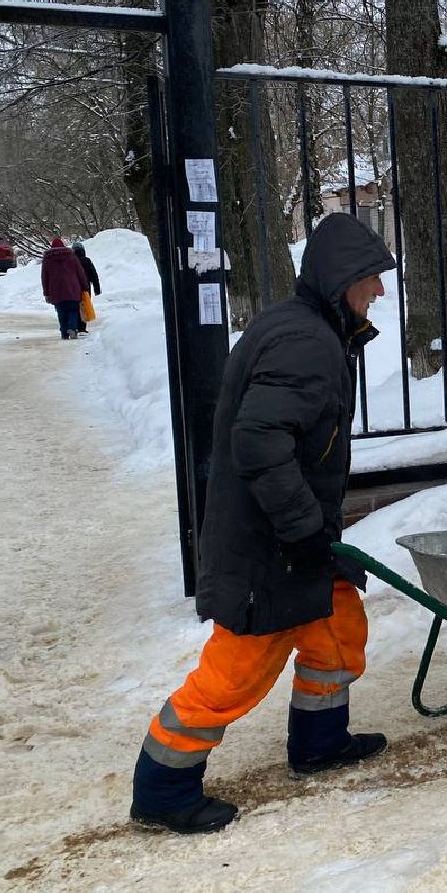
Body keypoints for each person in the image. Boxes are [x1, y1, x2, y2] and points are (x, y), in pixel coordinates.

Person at [130, 212, 396, 835]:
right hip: (268, 545)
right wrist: (305, 531)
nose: (379, 291)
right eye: (371, 279)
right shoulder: (307, 343)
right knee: (237, 671)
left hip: (293, 536)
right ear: (340, 281)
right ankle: (163, 787)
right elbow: (259, 441)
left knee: (336, 626)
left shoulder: (306, 327)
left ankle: (320, 741)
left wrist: (315, 537)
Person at [40, 237, 90, 340]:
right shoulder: (72, 256)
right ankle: (72, 328)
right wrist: (85, 286)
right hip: (73, 288)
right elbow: (80, 273)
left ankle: (64, 333)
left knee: (61, 311)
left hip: (56, 290)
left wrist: (46, 293)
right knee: (73, 310)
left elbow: (44, 277)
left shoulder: (47, 258)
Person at [71, 242, 101, 333]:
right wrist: (97, 289)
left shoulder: (71, 261)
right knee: (84, 306)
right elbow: (94, 276)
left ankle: (75, 325)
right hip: (86, 288)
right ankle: (82, 328)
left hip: (73, 287)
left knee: (75, 306)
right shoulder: (87, 261)